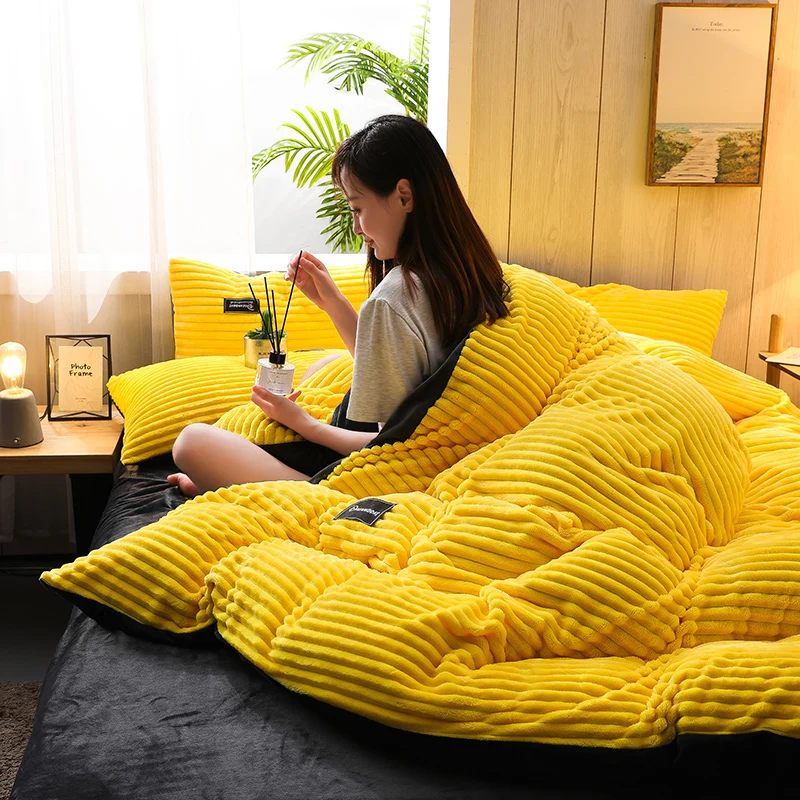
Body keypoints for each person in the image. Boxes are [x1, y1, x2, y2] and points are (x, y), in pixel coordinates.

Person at [167, 114, 509, 497]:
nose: (357, 228)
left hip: (355, 469)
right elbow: (397, 371)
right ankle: (235, 472)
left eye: (357, 209)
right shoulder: (468, 269)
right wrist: (333, 301)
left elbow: (388, 447)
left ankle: (276, 485)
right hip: (401, 439)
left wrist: (303, 423)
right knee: (324, 364)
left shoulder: (397, 295)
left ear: (404, 196)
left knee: (191, 442)